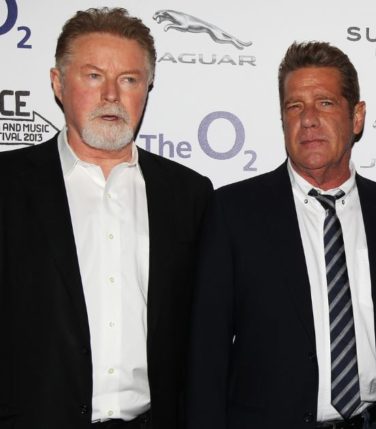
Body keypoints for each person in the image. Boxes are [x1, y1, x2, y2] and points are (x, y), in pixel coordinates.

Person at [0, 7, 213, 429]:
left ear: (147, 88)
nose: (112, 95)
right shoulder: (7, 186)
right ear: (58, 83)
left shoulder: (189, 194)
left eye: (129, 79)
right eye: (94, 76)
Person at [186, 41, 376, 429]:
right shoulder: (233, 212)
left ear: (357, 117)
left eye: (325, 103)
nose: (308, 119)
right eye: (294, 107)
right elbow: (206, 355)